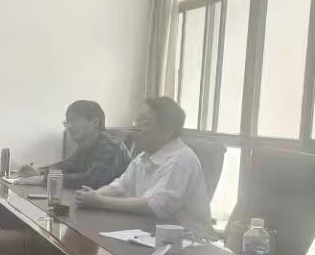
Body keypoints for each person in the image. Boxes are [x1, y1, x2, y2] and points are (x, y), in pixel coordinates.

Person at [74, 97, 212, 234]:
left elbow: (152, 205)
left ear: (168, 130)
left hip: (188, 239)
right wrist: (91, 195)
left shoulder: (180, 159)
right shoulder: (143, 156)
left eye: (145, 123)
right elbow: (119, 187)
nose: (136, 128)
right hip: (147, 231)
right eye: (137, 121)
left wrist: (100, 202)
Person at [16, 100, 131, 189]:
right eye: (68, 122)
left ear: (94, 122)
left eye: (74, 121)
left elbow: (94, 180)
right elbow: (68, 166)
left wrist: (45, 179)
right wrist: (40, 171)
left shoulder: (110, 146)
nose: (69, 126)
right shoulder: (87, 145)